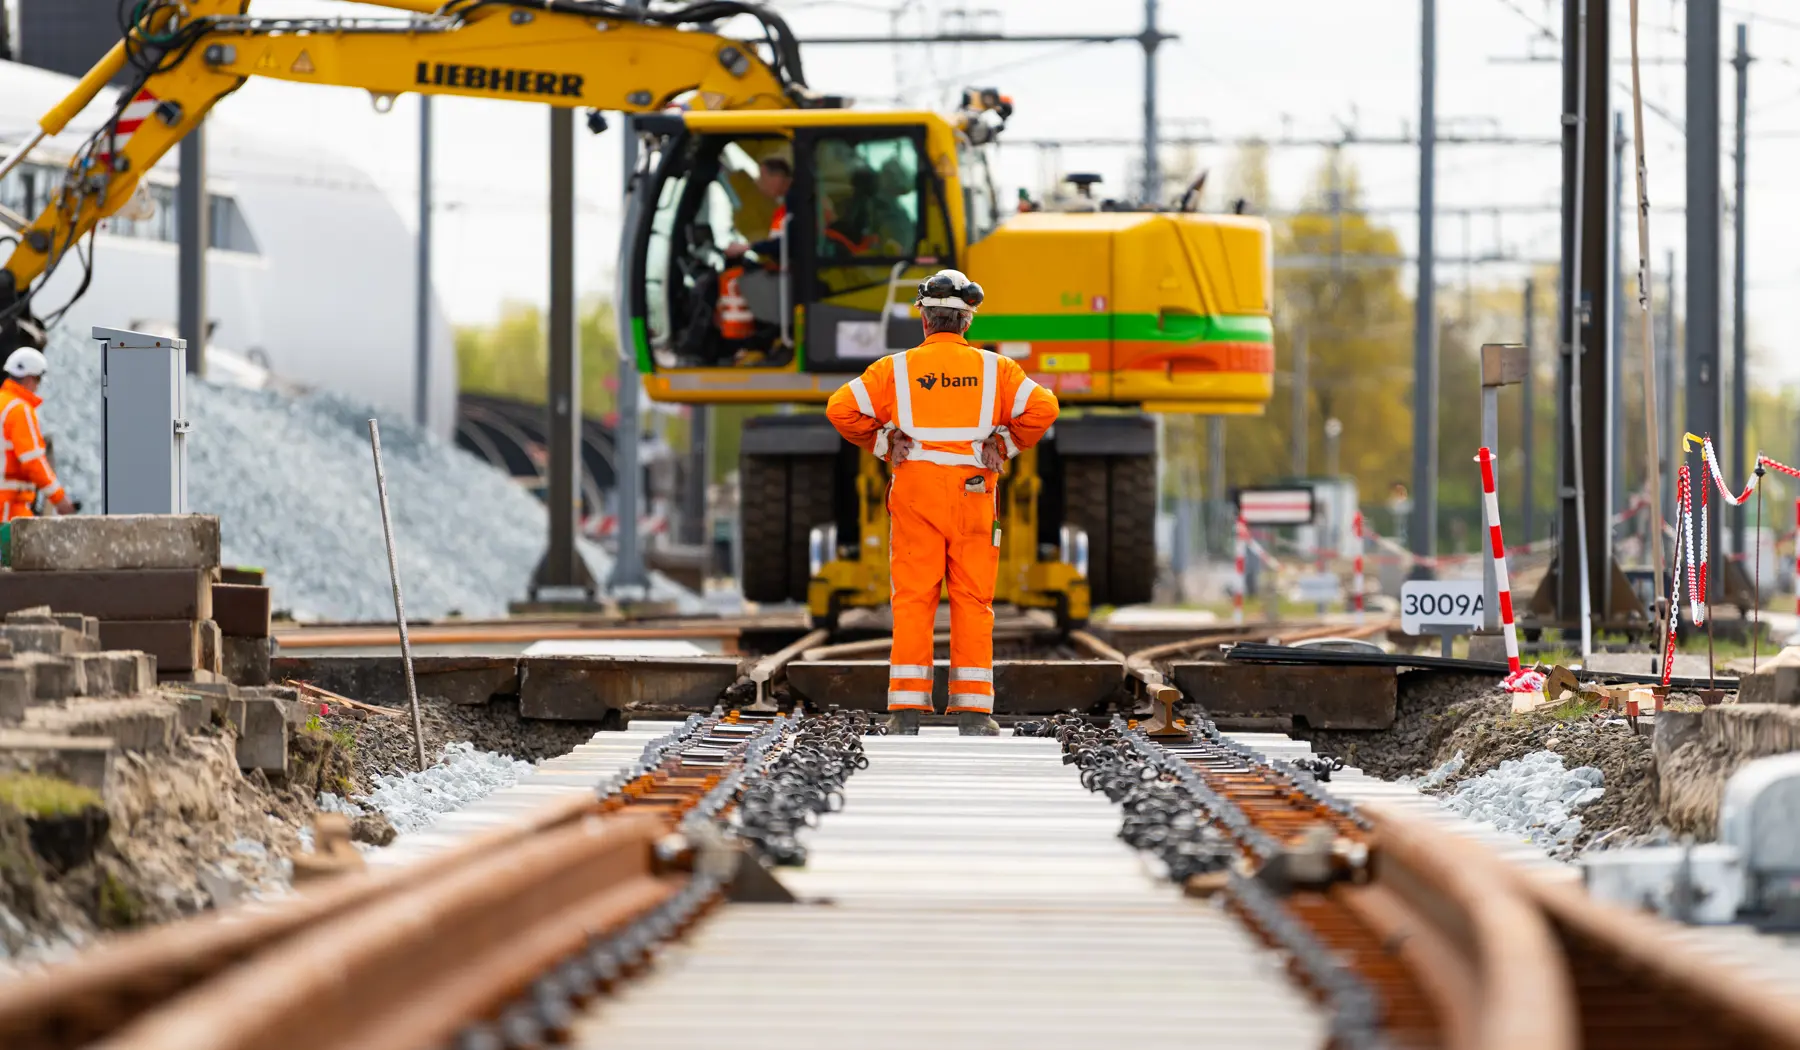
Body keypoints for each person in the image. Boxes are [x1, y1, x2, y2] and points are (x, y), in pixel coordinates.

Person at [825, 270, 1060, 736]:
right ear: (967, 322)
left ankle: (906, 713)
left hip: (915, 491)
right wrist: (1007, 445)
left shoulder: (894, 369)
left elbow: (840, 408)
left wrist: (882, 444)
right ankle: (973, 715)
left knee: (913, 599)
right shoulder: (998, 369)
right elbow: (1045, 407)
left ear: (925, 321)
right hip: (974, 491)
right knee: (973, 599)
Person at [0, 348, 75, 522]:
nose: (37, 386)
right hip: (9, 506)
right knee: (26, 548)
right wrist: (59, 499)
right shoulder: (19, 410)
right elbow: (33, 460)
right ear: (29, 378)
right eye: (38, 380)